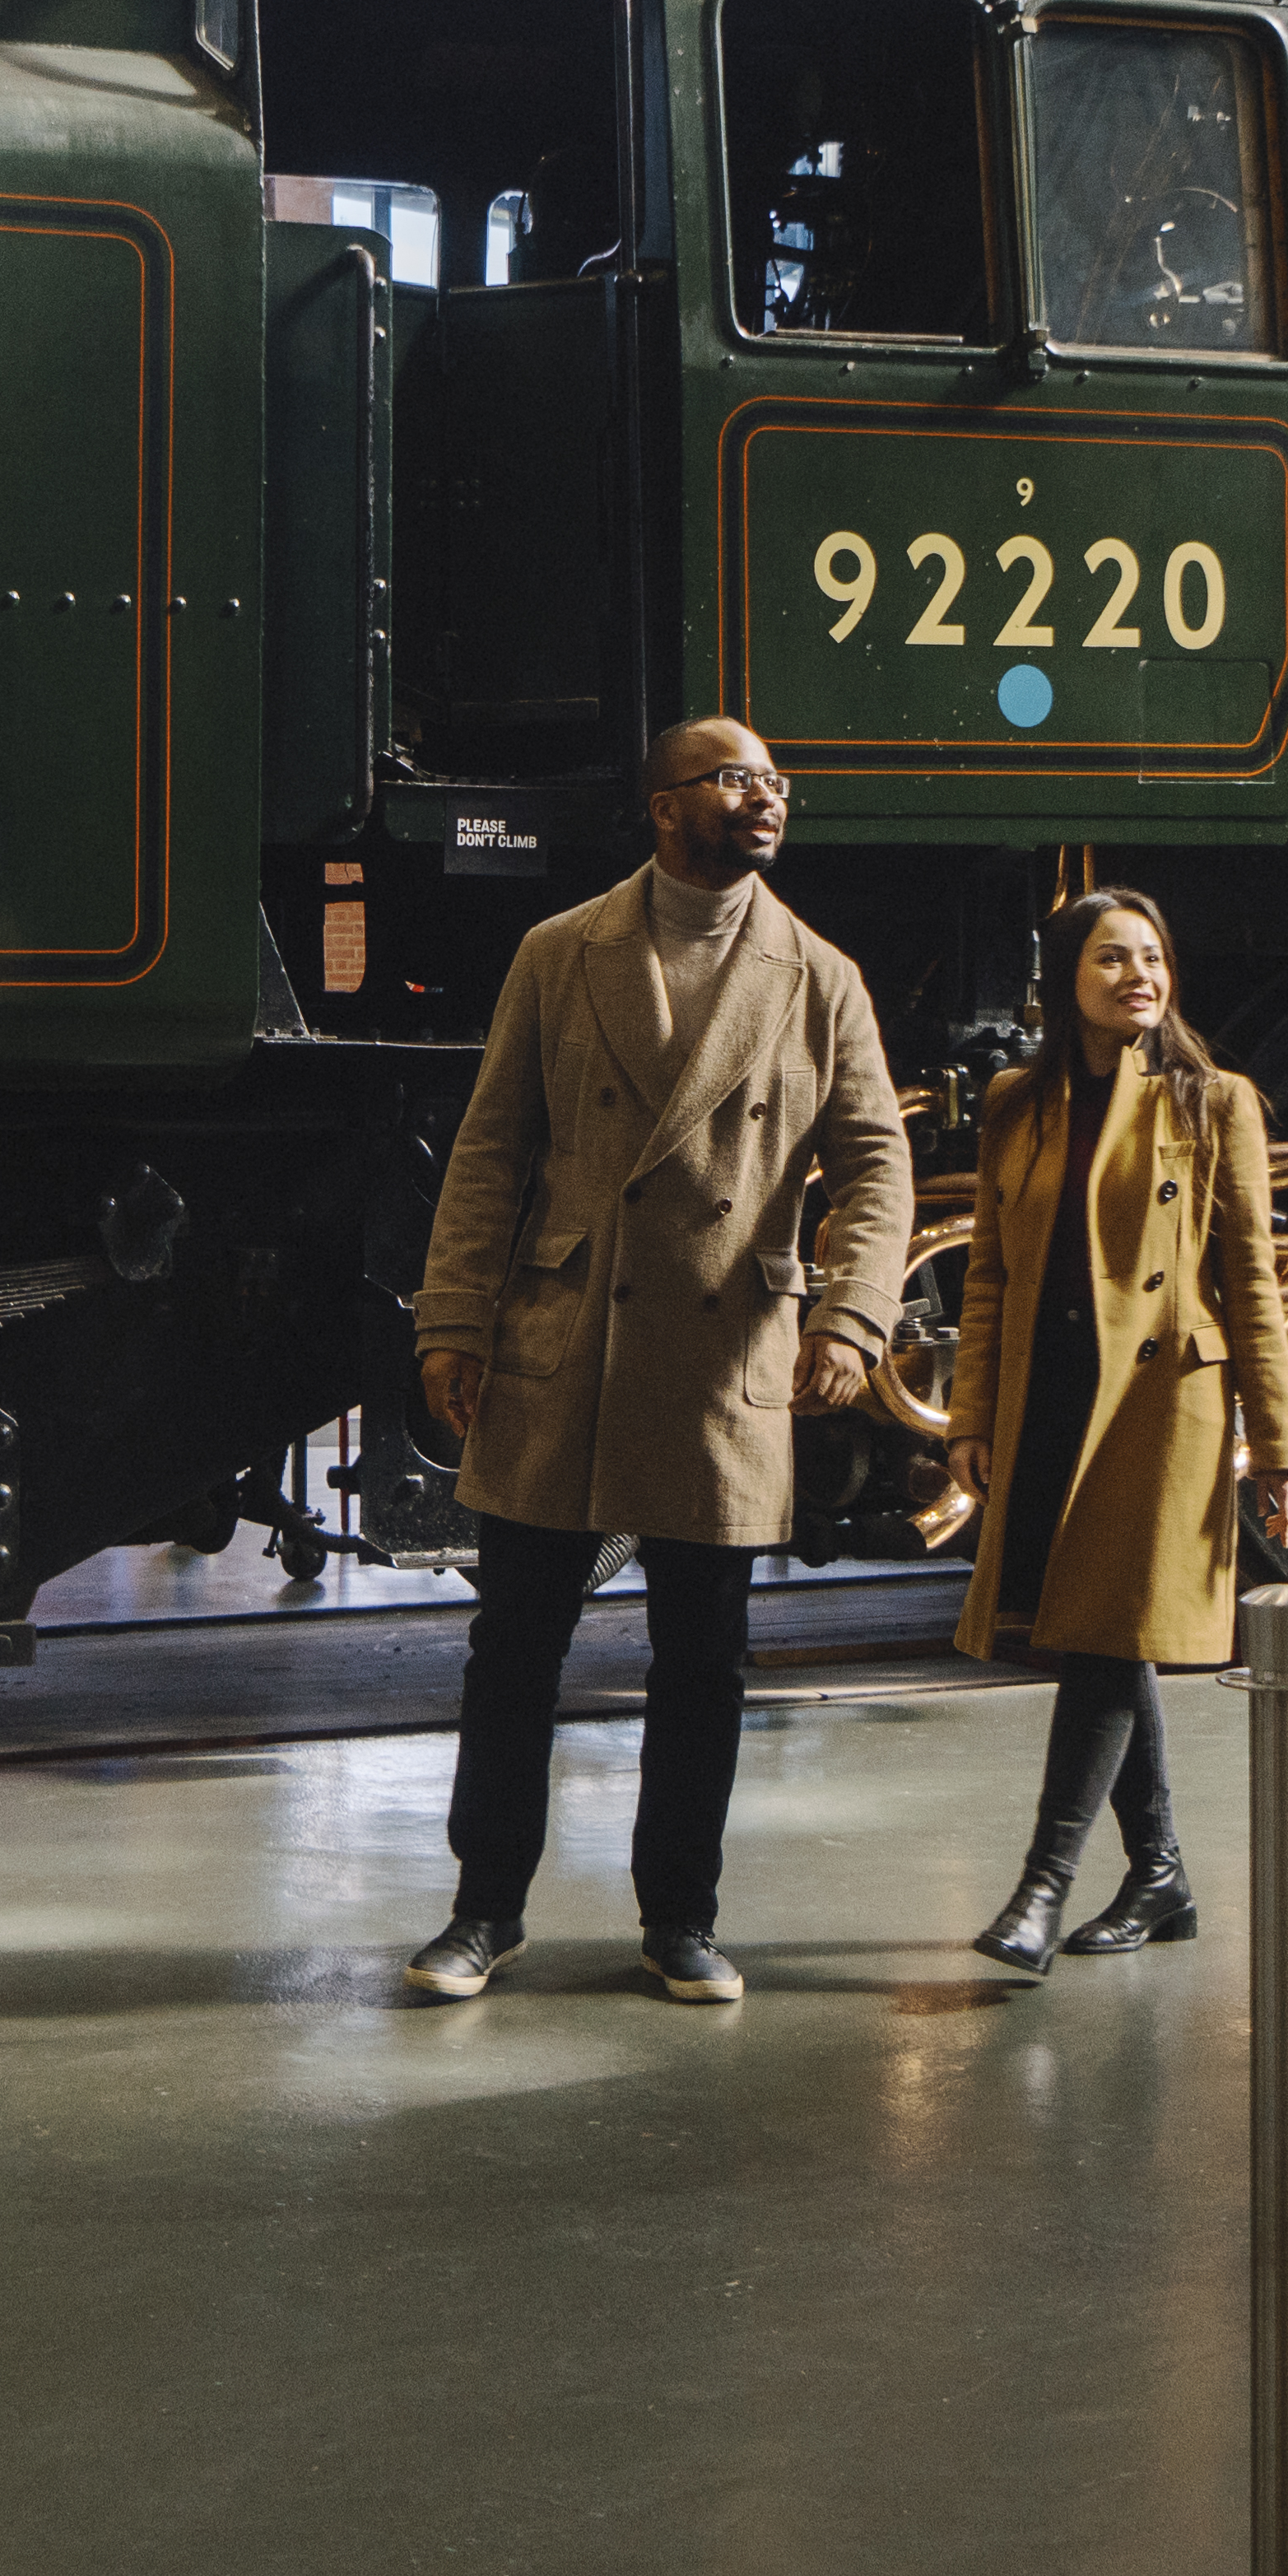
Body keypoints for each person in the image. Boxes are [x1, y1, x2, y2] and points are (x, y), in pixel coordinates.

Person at [390, 718, 914, 2005]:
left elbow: (879, 1159)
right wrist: (451, 1317)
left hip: (723, 1345)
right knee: (514, 1644)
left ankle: (681, 1916)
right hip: (566, 1335)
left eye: (774, 782)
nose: (764, 799)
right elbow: (491, 1147)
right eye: (734, 780)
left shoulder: (819, 973)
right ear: (663, 806)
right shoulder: (561, 951)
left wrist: (850, 1317)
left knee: (705, 1656)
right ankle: (483, 1912)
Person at [913, 886, 1288, 1969]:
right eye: (1111, 960)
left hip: (1163, 1406)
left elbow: (1253, 1283)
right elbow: (986, 1276)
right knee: (1102, 1629)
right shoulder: (1016, 1102)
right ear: (1063, 981)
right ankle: (1163, 1872)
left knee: (1100, 1633)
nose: (1139, 975)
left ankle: (1041, 1887)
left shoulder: (1215, 1100)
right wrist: (970, 1418)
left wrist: (1279, 1441)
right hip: (1052, 1400)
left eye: (1152, 957)